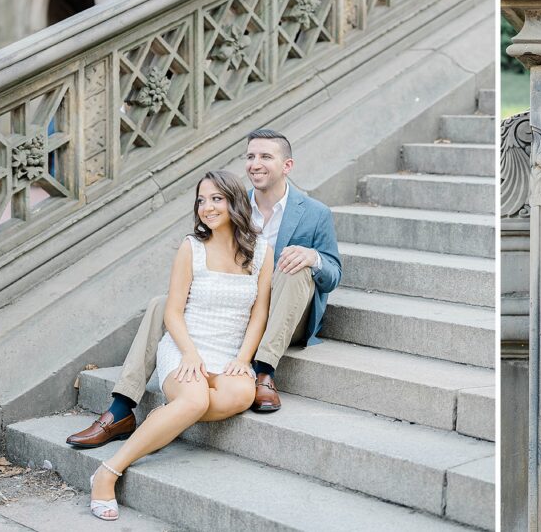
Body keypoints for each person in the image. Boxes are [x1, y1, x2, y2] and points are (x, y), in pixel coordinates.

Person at [67, 129, 342, 451]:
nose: (255, 163)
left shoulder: (314, 213)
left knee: (295, 269)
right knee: (162, 303)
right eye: (250, 156)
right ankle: (121, 408)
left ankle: (264, 373)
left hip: (281, 317)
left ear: (287, 165)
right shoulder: (231, 202)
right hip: (236, 314)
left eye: (266, 156)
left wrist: (314, 258)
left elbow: (334, 274)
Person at [89, 170, 273, 520]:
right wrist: (189, 353)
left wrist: (243, 358)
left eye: (216, 199)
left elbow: (259, 314)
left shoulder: (262, 251)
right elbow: (172, 312)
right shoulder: (192, 248)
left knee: (239, 395)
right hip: (186, 345)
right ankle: (108, 472)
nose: (207, 207)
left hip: (229, 353)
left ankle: (166, 422)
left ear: (234, 201)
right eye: (201, 200)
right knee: (195, 398)